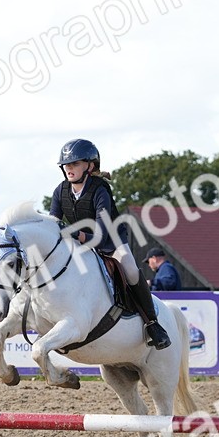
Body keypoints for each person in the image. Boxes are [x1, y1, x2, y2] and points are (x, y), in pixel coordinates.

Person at [48, 139, 170, 349]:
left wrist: (75, 234)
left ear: (90, 166)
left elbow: (101, 231)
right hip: (80, 245)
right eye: (67, 165)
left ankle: (153, 324)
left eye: (75, 164)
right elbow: (52, 223)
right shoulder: (60, 191)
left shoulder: (100, 189)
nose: (69, 168)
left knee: (130, 269)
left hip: (110, 242)